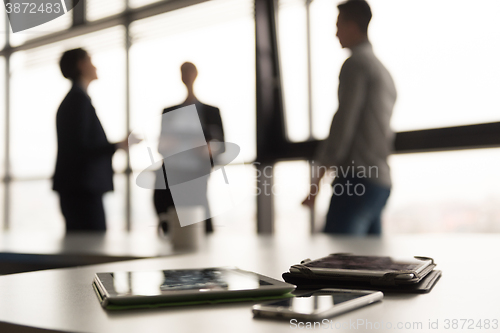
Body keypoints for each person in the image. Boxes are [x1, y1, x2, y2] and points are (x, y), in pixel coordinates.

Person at [302, 0, 397, 235]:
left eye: (338, 25)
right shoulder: (383, 71)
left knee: (335, 265)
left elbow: (342, 126)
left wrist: (316, 184)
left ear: (353, 26)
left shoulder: (356, 64)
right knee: (370, 265)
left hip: (357, 180)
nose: (335, 33)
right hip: (380, 181)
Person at [53, 48, 139, 232]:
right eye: (90, 60)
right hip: (82, 191)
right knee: (90, 245)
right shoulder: (78, 101)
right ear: (81, 65)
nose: (95, 66)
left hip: (78, 190)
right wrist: (118, 145)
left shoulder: (75, 100)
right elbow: (82, 148)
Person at [154, 62, 225, 234]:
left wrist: (207, 149)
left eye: (189, 72)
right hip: (172, 173)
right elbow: (161, 146)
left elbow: (221, 146)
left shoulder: (211, 111)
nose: (186, 76)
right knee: (172, 218)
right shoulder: (169, 111)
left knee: (198, 219)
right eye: (183, 72)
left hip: (197, 173)